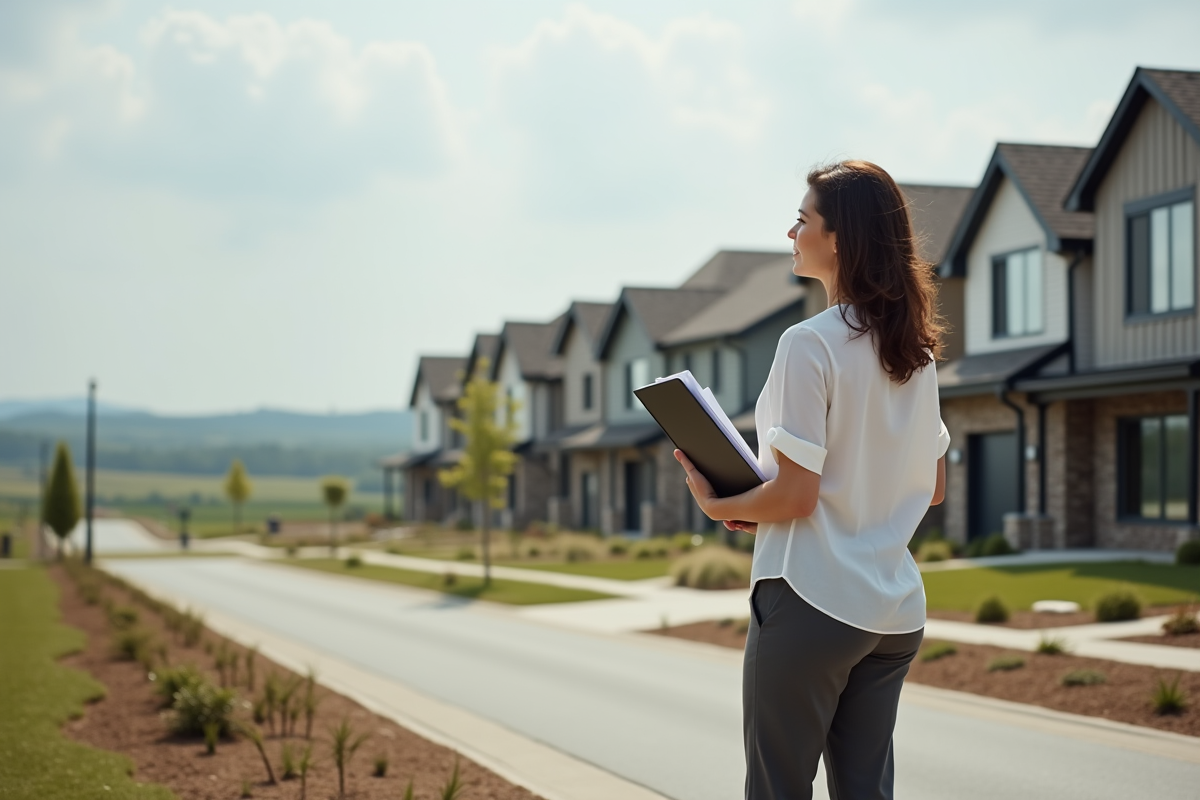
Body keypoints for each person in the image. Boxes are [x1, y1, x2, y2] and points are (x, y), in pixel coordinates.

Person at [673, 160, 949, 800]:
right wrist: (760, 502)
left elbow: (796, 495)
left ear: (840, 239)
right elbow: (931, 487)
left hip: (811, 601)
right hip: (894, 612)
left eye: (803, 221)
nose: (790, 232)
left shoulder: (809, 344)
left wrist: (719, 505)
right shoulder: (918, 353)